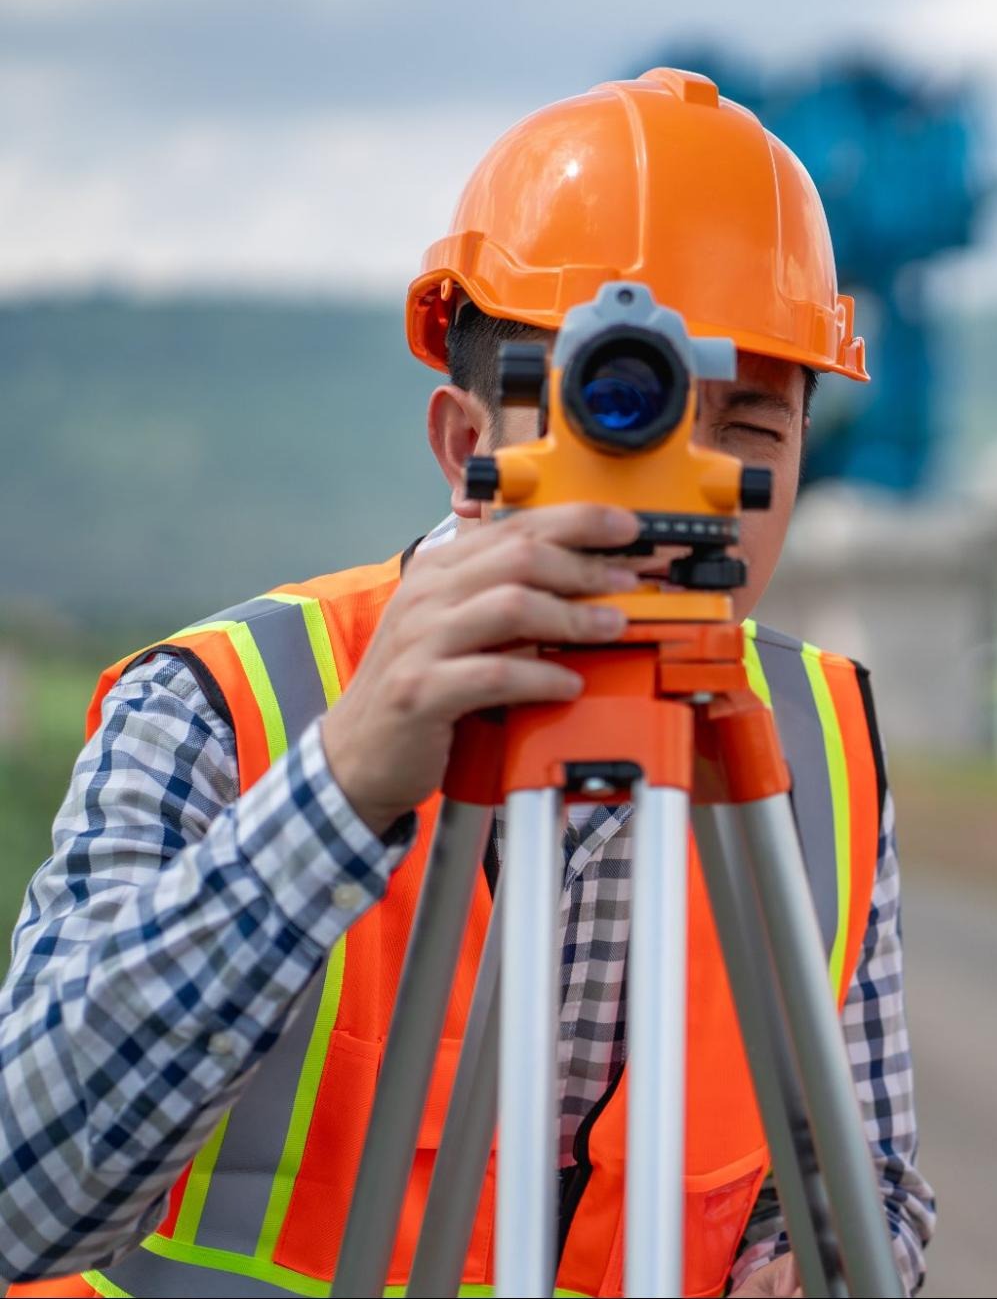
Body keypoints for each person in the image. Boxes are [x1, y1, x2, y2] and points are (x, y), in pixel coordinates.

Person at [0, 69, 933, 1298]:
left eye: (747, 426)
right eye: (619, 415)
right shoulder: (223, 709)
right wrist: (335, 792)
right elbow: (23, 1195)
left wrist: (803, 1258)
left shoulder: (815, 748)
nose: (677, 483)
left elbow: (860, 1175)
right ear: (463, 443)